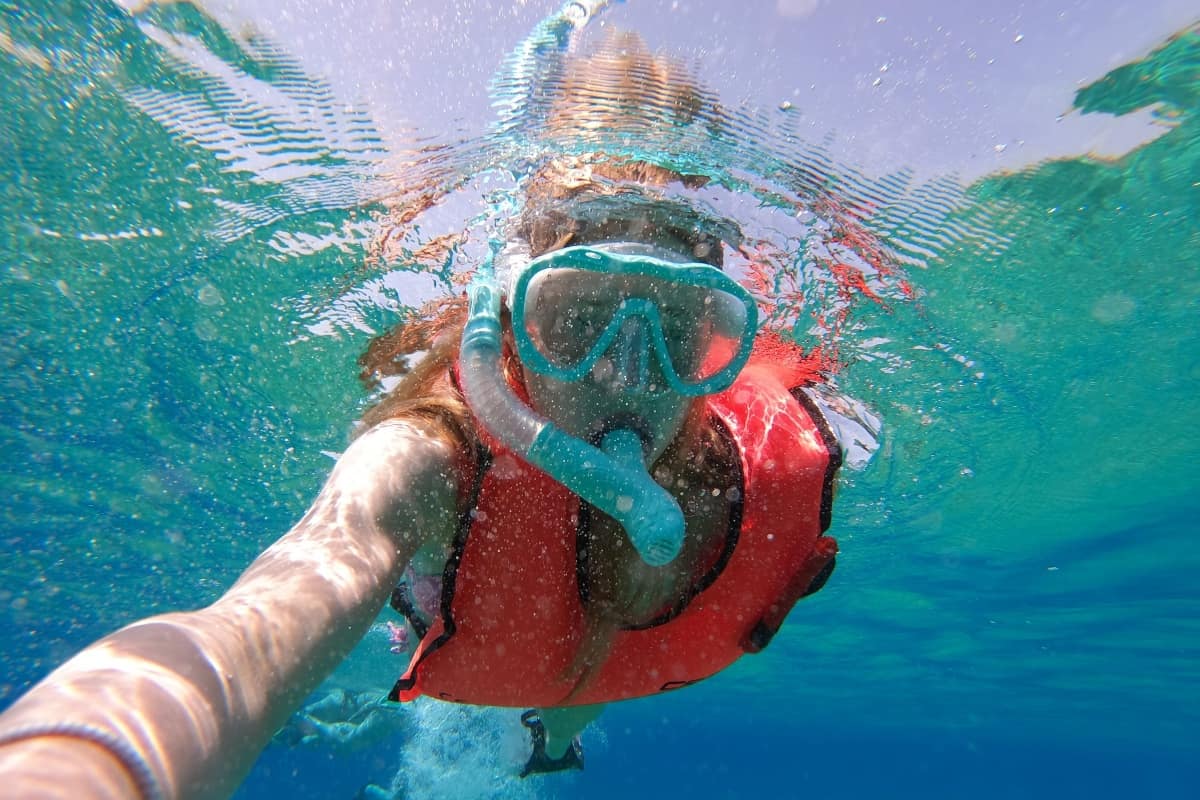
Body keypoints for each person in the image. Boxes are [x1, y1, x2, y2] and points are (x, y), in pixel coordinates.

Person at [0, 30, 851, 800]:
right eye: (578, 321)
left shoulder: (760, 464)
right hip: (466, 613)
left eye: (672, 331)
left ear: (720, 337)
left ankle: (546, 737)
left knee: (570, 705)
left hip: (573, 669)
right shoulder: (430, 455)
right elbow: (245, 631)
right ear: (511, 317)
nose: (626, 379)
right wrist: (86, 765)